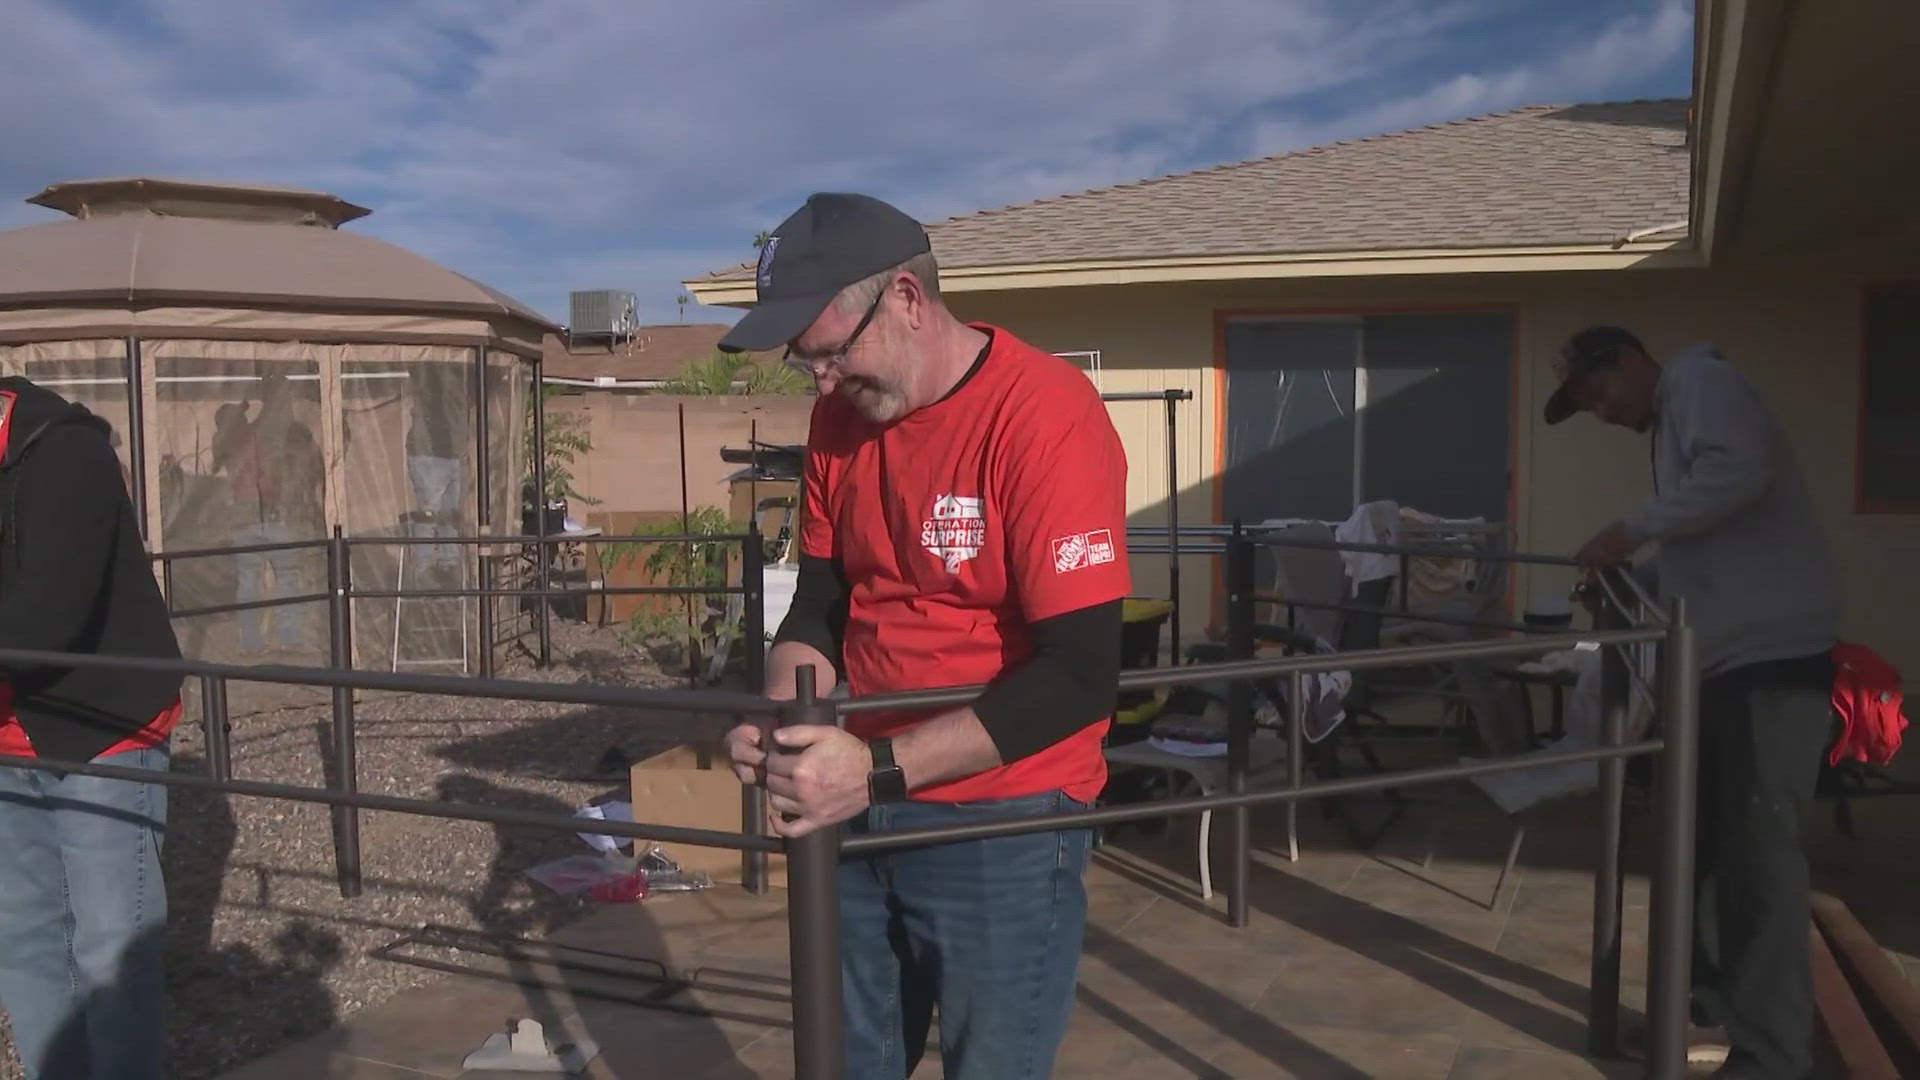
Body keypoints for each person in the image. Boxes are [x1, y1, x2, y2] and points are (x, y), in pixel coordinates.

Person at [720, 192, 1129, 1079]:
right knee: (848, 1061)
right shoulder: (842, 418)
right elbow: (823, 600)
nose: (823, 383)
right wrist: (787, 711)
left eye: (830, 353)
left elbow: (1081, 675)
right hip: (858, 802)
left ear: (907, 298)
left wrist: (876, 767)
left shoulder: (1046, 415)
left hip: (1005, 816)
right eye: (806, 364)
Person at [1546, 325, 1840, 1080]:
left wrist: (1626, 531)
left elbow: (1741, 472)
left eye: (1597, 394)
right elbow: (1698, 547)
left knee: (1759, 864)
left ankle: (1775, 1057)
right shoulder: (1678, 414)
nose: (1603, 414)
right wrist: (1631, 581)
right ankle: (1706, 1006)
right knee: (1706, 845)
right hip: (1722, 666)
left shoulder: (1701, 385)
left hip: (1768, 667)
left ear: (1625, 362)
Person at [0, 375, 185, 1080]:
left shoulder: (67, 453)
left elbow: (49, 616)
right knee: (24, 942)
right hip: (8, 733)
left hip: (101, 727)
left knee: (111, 949)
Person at [212, 373, 324, 655]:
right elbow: (270, 415)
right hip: (268, 515)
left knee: (249, 581)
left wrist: (243, 408)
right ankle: (289, 638)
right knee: (286, 577)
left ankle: (251, 643)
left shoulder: (224, 443)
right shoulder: (249, 436)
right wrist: (249, 403)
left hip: (243, 520)